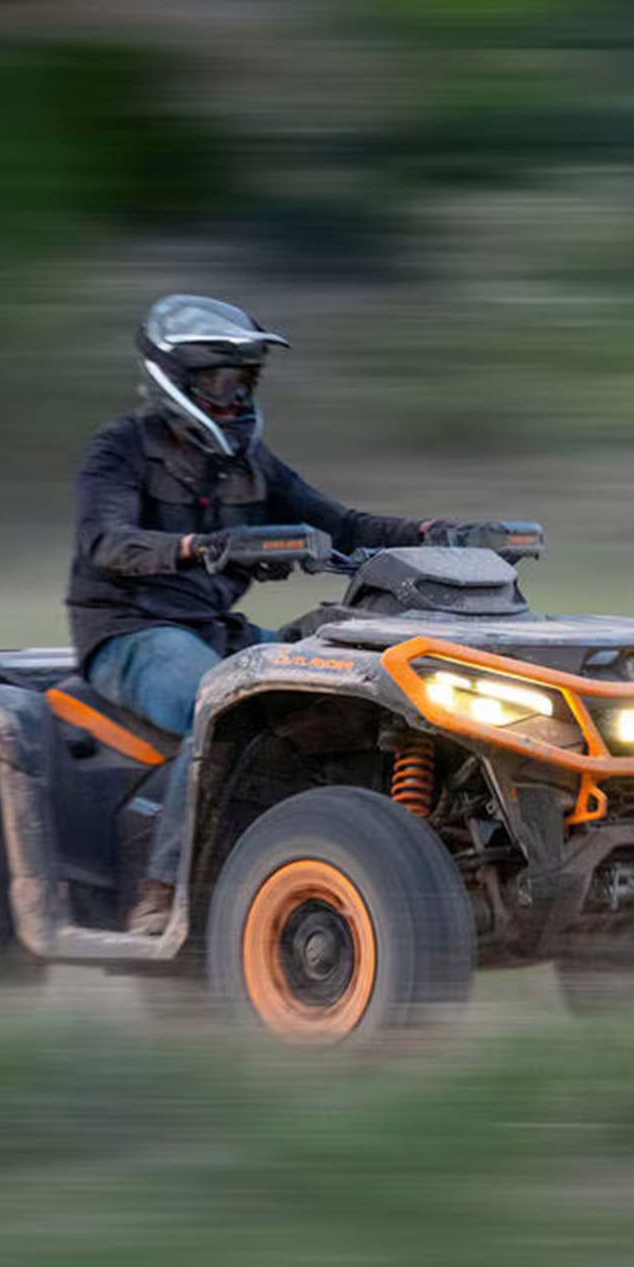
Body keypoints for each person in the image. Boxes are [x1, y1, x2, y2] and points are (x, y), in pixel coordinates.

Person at [66, 294, 482, 934]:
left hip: (213, 631)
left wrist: (437, 533)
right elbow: (108, 542)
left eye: (245, 382)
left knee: (346, 667)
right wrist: (197, 547)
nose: (234, 399)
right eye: (220, 382)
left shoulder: (251, 465)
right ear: (175, 382)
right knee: (216, 703)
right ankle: (162, 890)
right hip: (129, 633)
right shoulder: (119, 448)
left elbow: (342, 524)